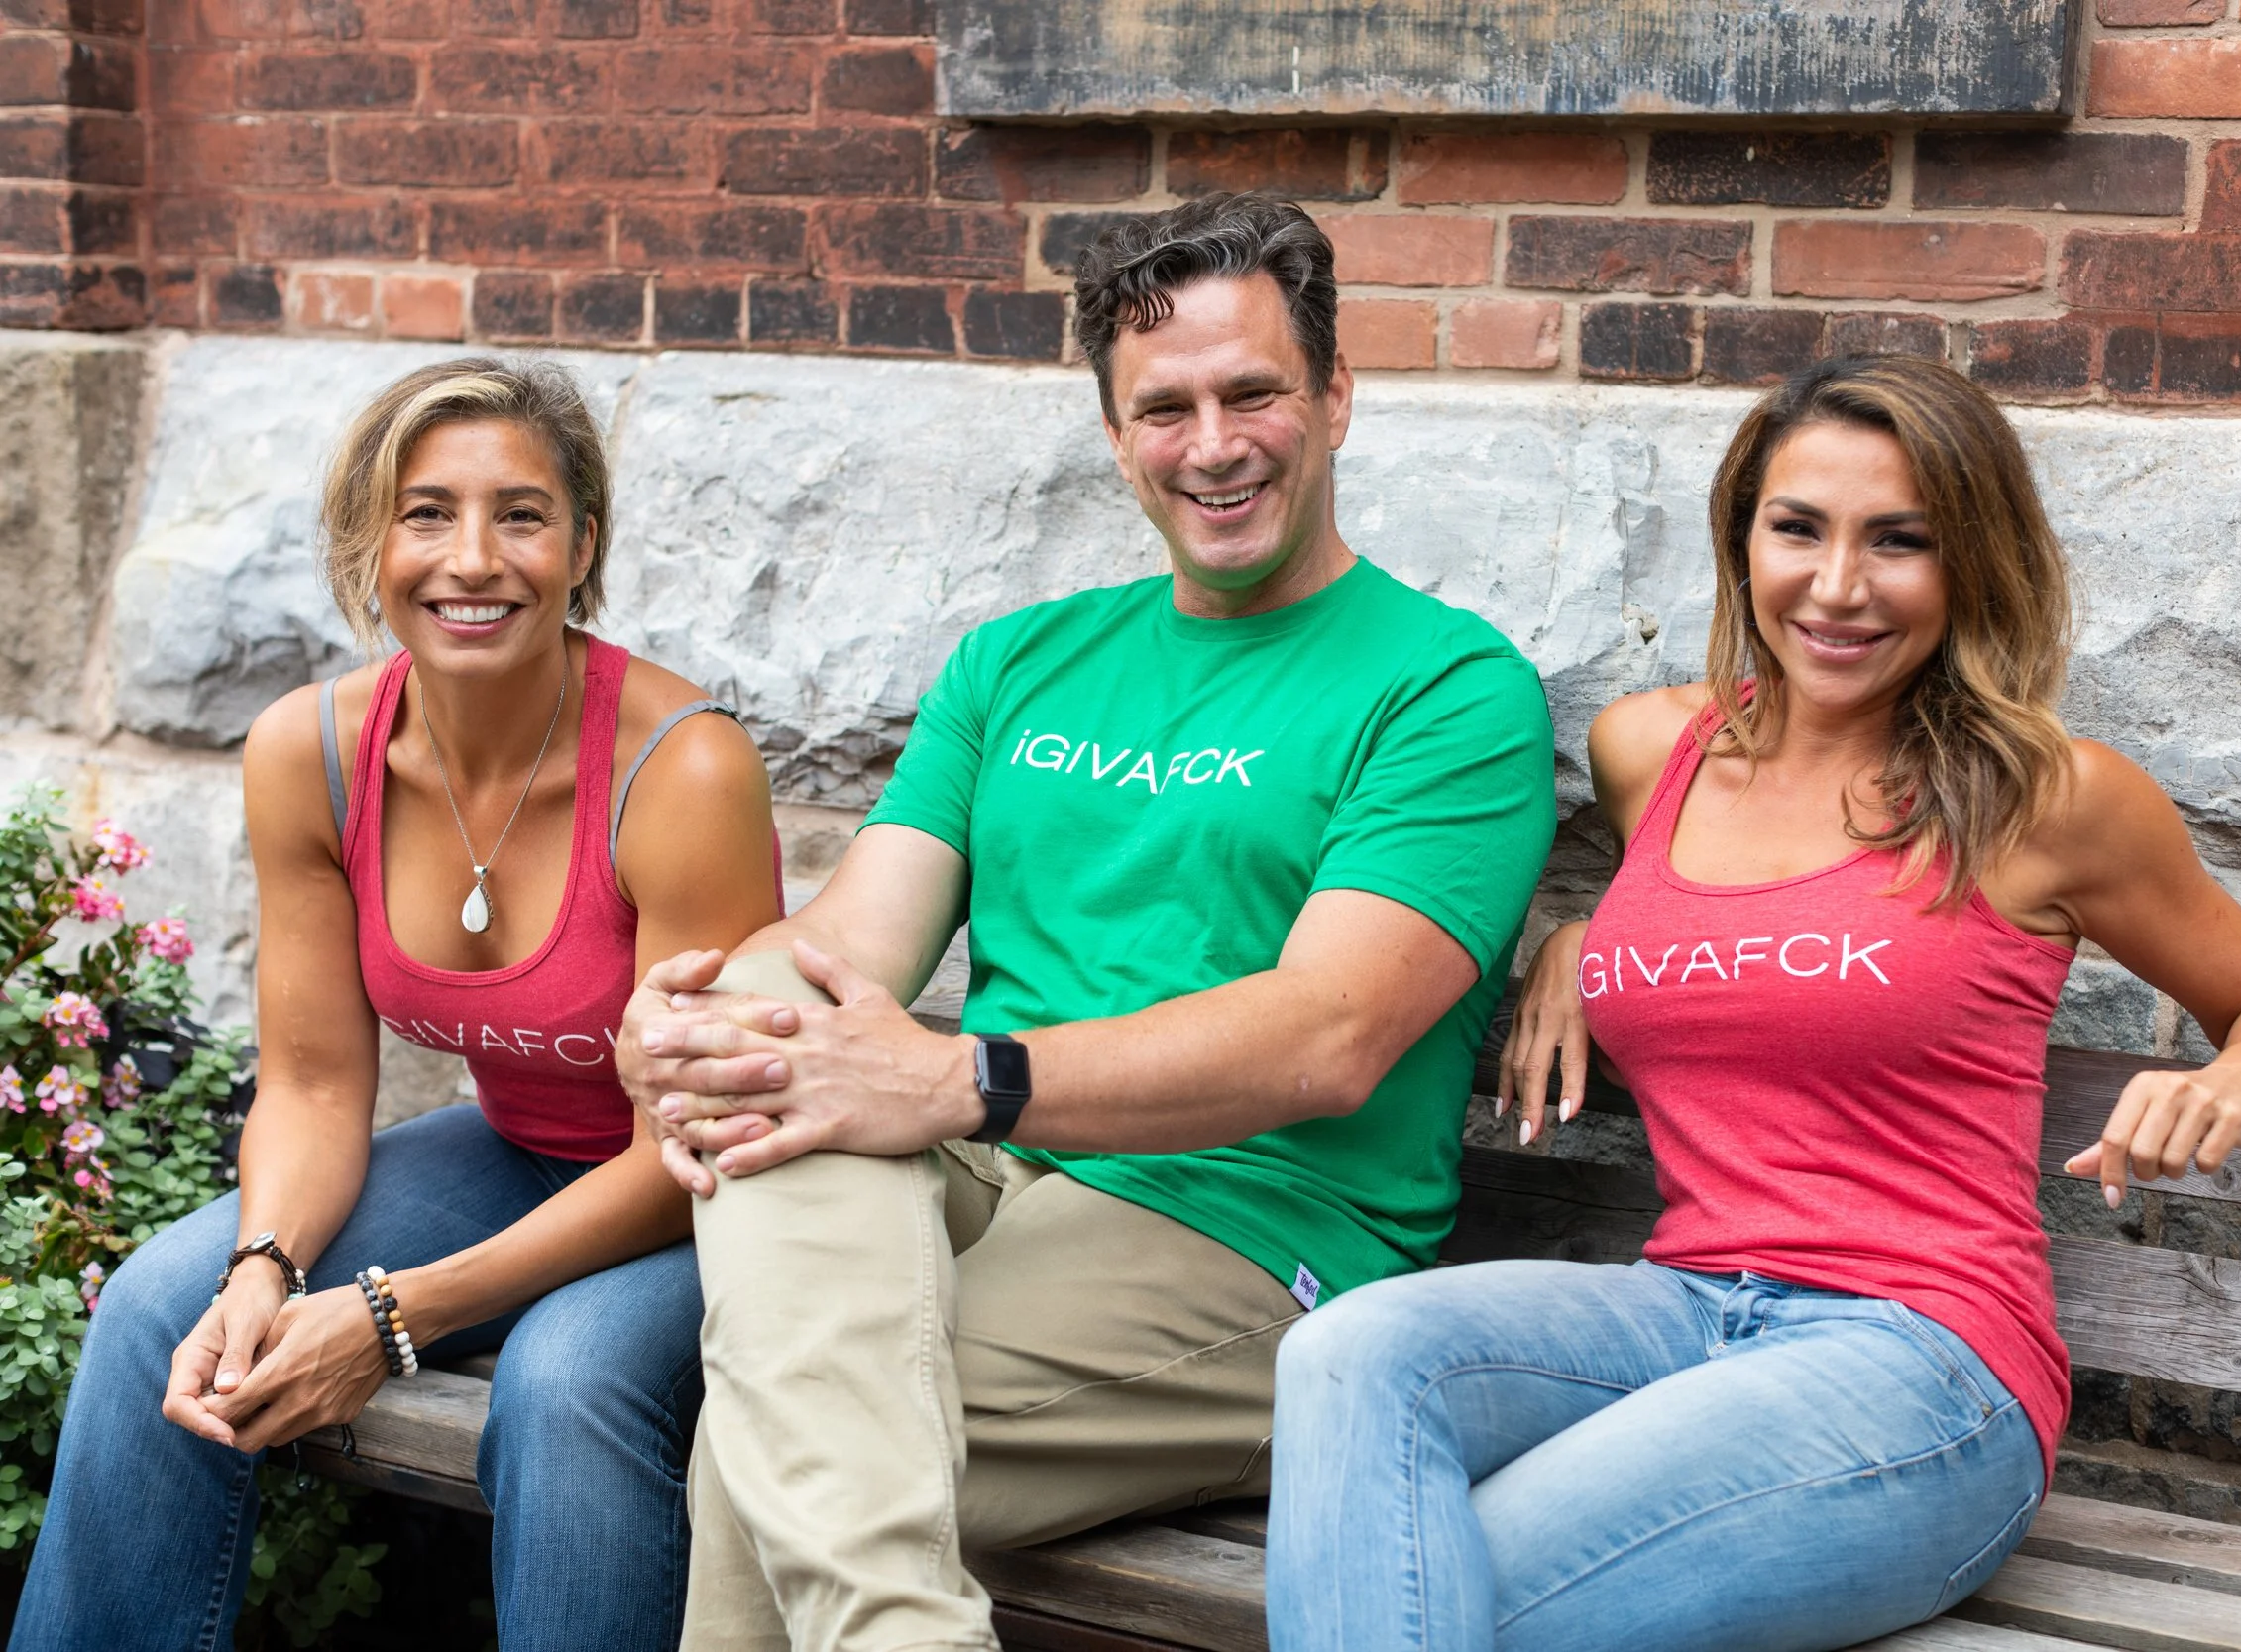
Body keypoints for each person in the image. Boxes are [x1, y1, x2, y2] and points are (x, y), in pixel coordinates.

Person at [1264, 354, 2241, 1652]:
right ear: (1744, 536)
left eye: (1901, 541)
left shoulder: (2049, 797)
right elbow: (1720, 923)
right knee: (1352, 1349)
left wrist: (2237, 1077)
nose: (1838, 586)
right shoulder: (1652, 750)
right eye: (1800, 528)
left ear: (1972, 562)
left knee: (1430, 1581)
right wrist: (1575, 928)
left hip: (1922, 1364)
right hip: (1682, 1308)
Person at [616, 191, 1557, 1650]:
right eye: (1164, 408)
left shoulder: (1448, 690)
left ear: (1338, 399)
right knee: (769, 1045)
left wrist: (958, 1077)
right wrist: (698, 1035)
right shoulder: (1016, 664)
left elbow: (1328, 1038)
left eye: (1255, 392)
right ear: (1117, 437)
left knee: (770, 1446)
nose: (1215, 443)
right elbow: (844, 949)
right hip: (994, 1165)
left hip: (1250, 1223)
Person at [14, 358, 782, 1652]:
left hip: (715, 1187)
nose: (472, 559)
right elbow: (312, 1083)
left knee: (565, 1379)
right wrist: (266, 1266)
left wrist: (387, 1315)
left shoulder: (681, 766)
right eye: (427, 513)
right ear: (367, 543)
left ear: (581, 543)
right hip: (521, 1151)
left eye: (521, 515)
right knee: (168, 1298)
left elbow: (683, 1145)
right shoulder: (307, 756)